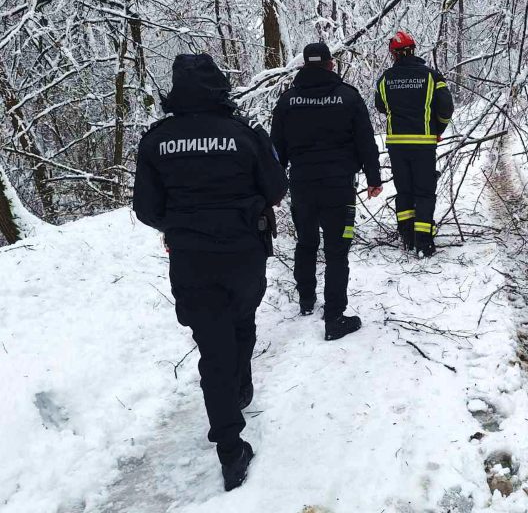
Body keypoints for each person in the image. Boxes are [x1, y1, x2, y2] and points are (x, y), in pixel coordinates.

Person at [133, 53, 287, 492]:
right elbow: (276, 188)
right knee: (241, 324)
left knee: (212, 346)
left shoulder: (156, 140)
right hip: (243, 253)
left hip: (191, 258)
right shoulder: (244, 134)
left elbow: (145, 208)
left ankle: (229, 439)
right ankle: (236, 402)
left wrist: (178, 222)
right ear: (220, 87)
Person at [270, 42, 382, 340]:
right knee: (336, 252)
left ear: (304, 65)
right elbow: (365, 141)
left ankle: (307, 299)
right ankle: (334, 317)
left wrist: (275, 187)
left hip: (303, 186)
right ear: (331, 64)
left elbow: (275, 150)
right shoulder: (348, 97)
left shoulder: (288, 101)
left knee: (306, 243)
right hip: (339, 188)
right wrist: (374, 177)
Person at [374, 31, 454, 257]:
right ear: (414, 50)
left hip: (397, 145)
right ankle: (424, 242)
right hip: (424, 144)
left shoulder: (385, 79)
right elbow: (446, 107)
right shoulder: (432, 77)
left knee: (404, 191)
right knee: (425, 192)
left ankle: (407, 237)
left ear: (394, 54)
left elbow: (381, 106)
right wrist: (438, 129)